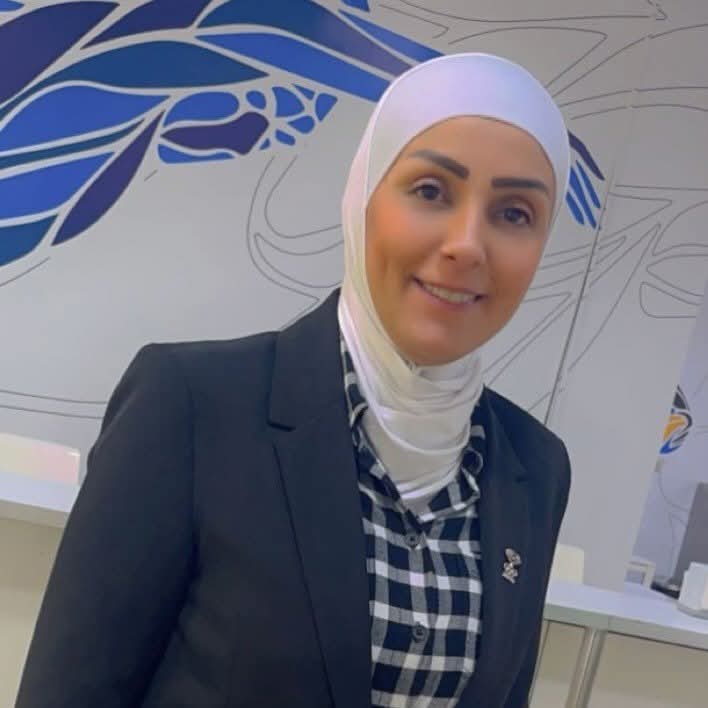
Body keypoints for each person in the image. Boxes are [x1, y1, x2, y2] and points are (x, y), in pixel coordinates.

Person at [16, 52, 571, 708]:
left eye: (514, 214)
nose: (467, 244)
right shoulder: (191, 406)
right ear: (364, 199)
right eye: (430, 191)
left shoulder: (534, 466)